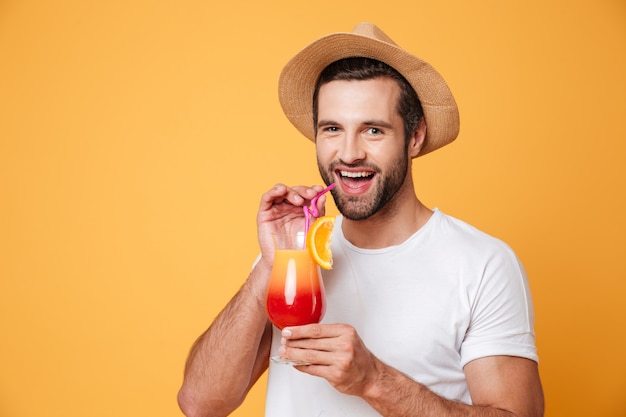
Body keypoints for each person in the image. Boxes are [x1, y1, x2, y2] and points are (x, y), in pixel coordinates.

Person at [177, 22, 544, 417]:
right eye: (332, 129)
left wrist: (374, 380)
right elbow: (199, 404)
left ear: (415, 136)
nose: (349, 154)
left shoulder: (482, 264)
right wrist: (269, 264)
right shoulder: (292, 259)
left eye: (373, 130)